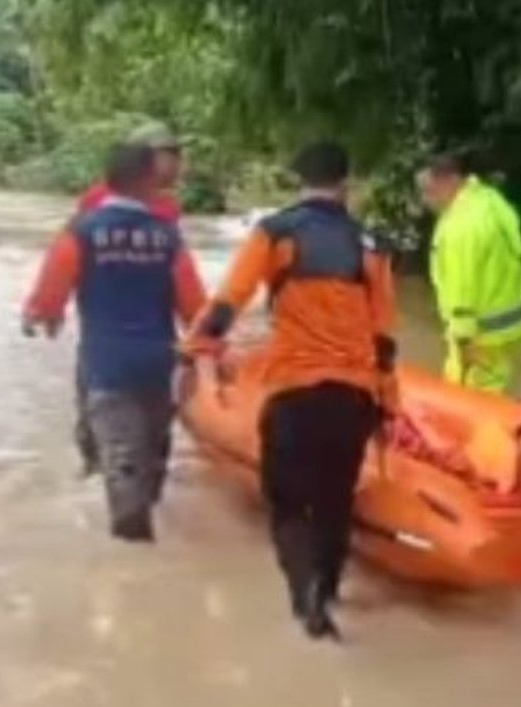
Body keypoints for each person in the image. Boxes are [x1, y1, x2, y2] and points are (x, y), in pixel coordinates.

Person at [184, 141, 397, 641]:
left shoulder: (276, 233)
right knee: (335, 500)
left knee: (286, 504)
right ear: (349, 181)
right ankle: (327, 592)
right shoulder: (373, 246)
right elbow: (385, 335)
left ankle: (304, 598)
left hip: (295, 389)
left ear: (298, 179)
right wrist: (389, 403)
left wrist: (195, 345)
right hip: (354, 394)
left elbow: (229, 300)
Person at [22, 143, 207, 542]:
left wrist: (40, 314)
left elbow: (51, 292)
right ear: (149, 180)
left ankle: (134, 572)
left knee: (122, 469)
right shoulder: (168, 237)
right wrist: (211, 355)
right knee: (153, 462)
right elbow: (195, 308)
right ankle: (155, 559)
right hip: (160, 366)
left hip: (107, 368)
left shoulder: (82, 230)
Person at [71, 121, 185, 477]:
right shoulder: (96, 203)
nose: (179, 164)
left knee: (153, 420)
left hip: (153, 327)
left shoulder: (168, 209)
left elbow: (177, 270)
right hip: (107, 329)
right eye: (170, 156)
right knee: (99, 406)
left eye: (178, 156)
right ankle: (94, 463)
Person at [417, 154, 521, 393]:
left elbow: (461, 286)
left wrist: (462, 339)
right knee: (497, 387)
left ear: (448, 181)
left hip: (481, 334)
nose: (427, 199)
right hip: (510, 326)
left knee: (465, 400)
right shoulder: (489, 200)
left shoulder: (459, 226)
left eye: (429, 190)